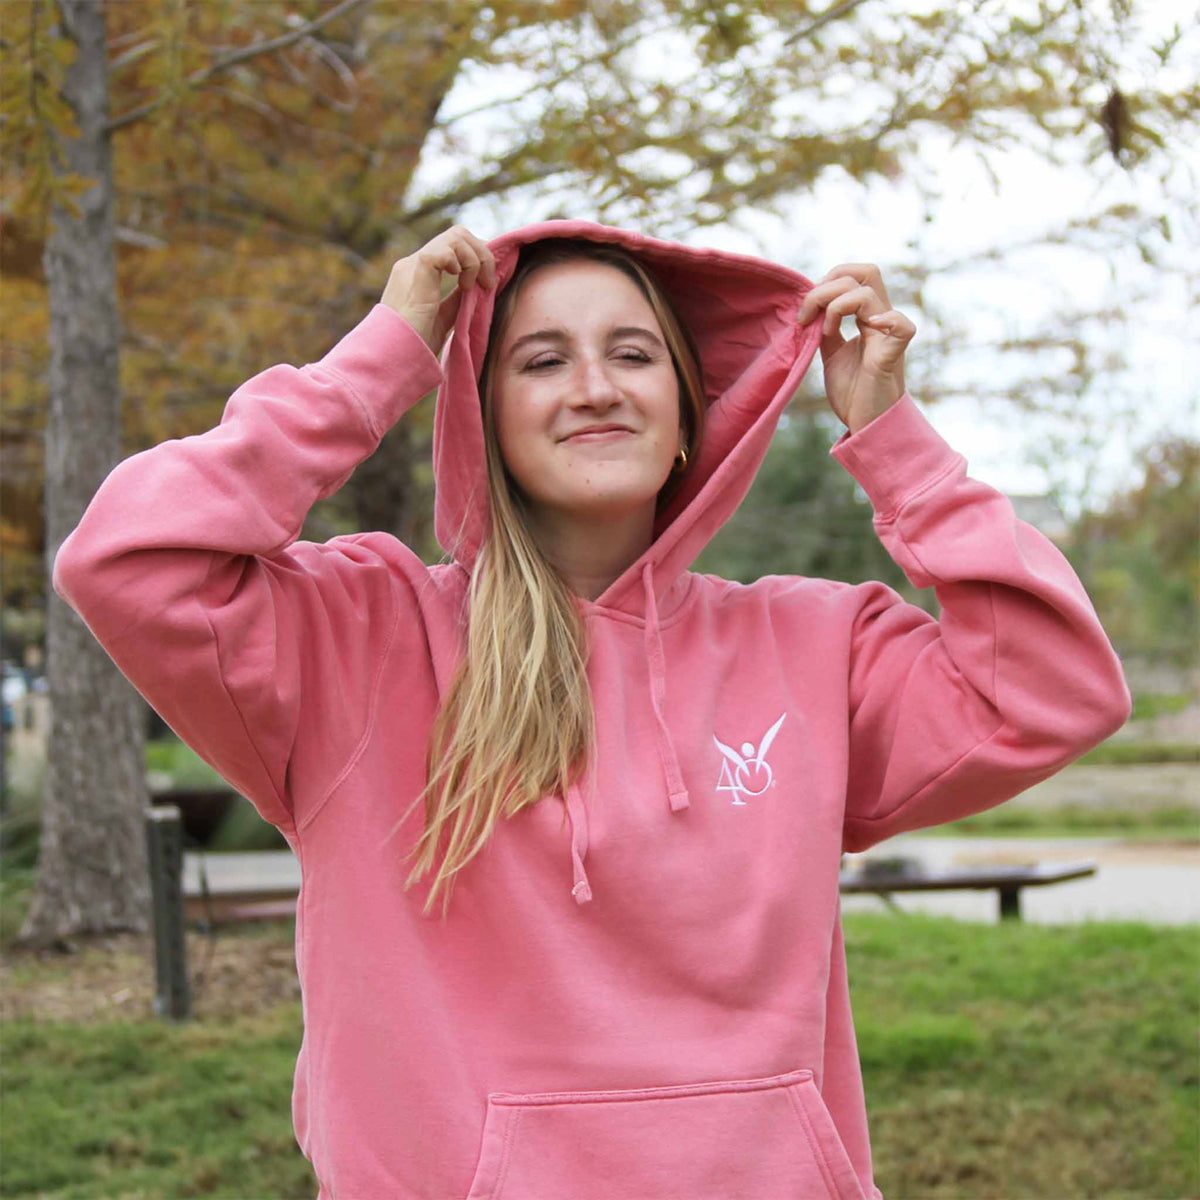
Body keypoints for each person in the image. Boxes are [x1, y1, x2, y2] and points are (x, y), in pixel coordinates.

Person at [53, 220, 1131, 1199]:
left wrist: (893, 440)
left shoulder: (814, 643)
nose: (595, 388)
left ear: (687, 416)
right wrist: (384, 358)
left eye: (632, 354)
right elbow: (129, 562)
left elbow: (1050, 691)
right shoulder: (357, 638)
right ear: (484, 414)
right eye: (541, 360)